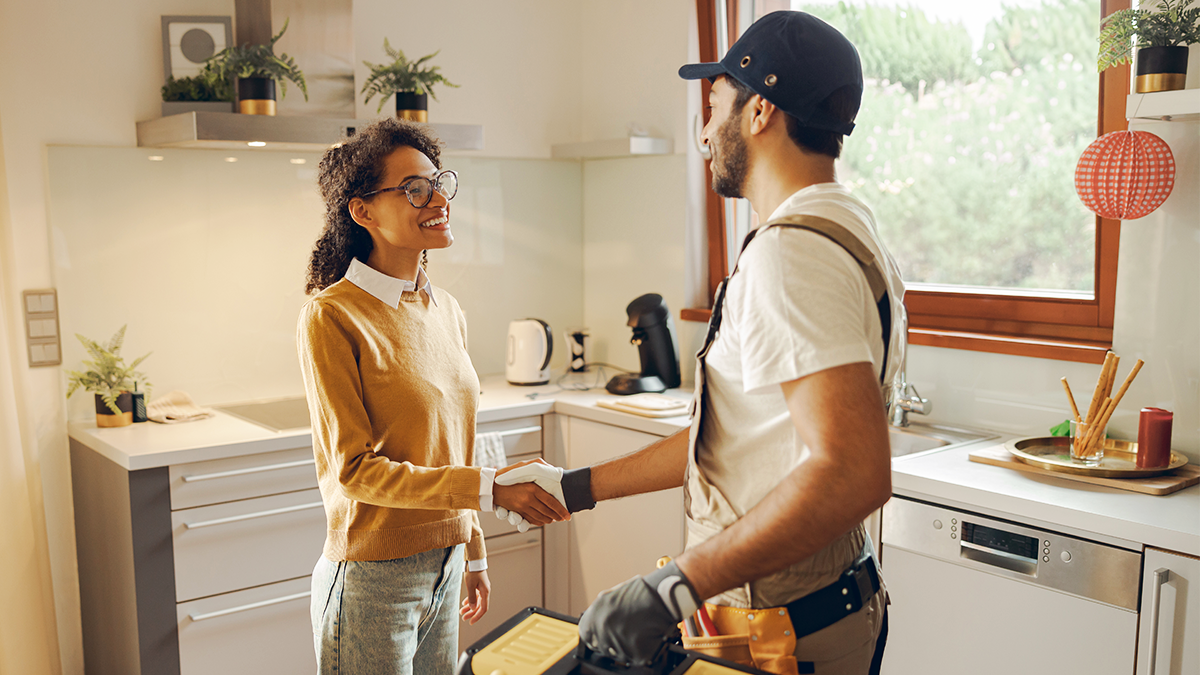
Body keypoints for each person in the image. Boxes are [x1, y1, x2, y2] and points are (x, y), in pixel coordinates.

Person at [512, 11, 907, 675]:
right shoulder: (848, 225)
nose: (704, 131)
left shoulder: (792, 256)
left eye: (715, 104)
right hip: (817, 605)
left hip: (786, 628)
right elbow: (740, 443)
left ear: (761, 113)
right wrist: (575, 485)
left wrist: (673, 587)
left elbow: (852, 471)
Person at [297, 117, 570, 675]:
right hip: (371, 580)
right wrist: (491, 490)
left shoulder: (445, 309)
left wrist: (473, 550)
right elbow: (354, 472)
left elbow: (457, 443)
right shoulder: (331, 316)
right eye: (414, 189)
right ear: (363, 211)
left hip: (446, 569)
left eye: (438, 182)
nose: (437, 198)